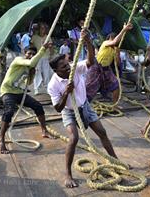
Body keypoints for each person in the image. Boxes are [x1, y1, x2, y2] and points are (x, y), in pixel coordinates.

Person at [47, 29, 118, 188]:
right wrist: (66, 92)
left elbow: (91, 61)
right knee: (73, 139)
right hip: (69, 111)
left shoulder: (75, 68)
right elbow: (58, 108)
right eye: (64, 67)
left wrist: (88, 42)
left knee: (102, 132)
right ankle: (68, 173)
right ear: (56, 70)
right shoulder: (53, 85)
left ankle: (115, 160)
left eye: (67, 64)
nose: (68, 68)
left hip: (84, 105)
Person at [0, 44, 54, 154]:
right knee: (9, 111)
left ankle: (44, 130)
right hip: (7, 91)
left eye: (33, 54)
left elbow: (28, 83)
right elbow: (31, 62)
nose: (31, 56)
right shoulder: (18, 60)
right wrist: (43, 49)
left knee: (38, 106)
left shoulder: (29, 67)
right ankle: (1, 140)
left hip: (19, 92)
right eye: (29, 53)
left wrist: (32, 73)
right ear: (25, 54)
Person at [86, 22, 133, 107]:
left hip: (106, 69)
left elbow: (117, 63)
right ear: (111, 38)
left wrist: (117, 53)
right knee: (90, 87)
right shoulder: (105, 43)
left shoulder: (115, 49)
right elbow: (115, 41)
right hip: (96, 67)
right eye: (115, 39)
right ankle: (82, 105)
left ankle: (114, 105)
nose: (117, 41)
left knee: (116, 86)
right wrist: (124, 29)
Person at [31, 22, 53, 94]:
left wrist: (51, 53)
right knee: (37, 72)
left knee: (46, 73)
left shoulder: (48, 37)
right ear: (39, 29)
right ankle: (36, 88)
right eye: (41, 28)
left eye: (44, 28)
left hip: (46, 57)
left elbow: (51, 47)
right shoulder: (34, 37)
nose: (42, 30)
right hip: (37, 57)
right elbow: (31, 47)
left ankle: (47, 87)